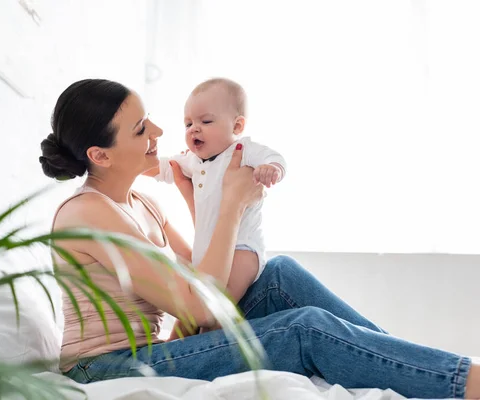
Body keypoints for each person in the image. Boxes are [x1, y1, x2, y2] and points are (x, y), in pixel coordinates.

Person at [39, 79, 479, 399]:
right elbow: (200, 303)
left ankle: (424, 371)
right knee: (304, 329)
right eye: (140, 128)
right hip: (103, 369)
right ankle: (464, 380)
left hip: (154, 348)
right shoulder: (87, 213)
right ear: (100, 155)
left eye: (150, 118)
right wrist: (231, 202)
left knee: (278, 275)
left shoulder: (142, 203)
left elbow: (202, 270)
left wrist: (203, 202)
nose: (157, 132)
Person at [143, 79, 286, 339]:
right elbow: (163, 168)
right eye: (188, 124)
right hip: (210, 253)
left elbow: (274, 157)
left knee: (216, 308)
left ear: (237, 125)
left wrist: (272, 169)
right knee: (191, 311)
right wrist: (134, 164)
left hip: (243, 249)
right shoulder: (193, 160)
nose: (194, 129)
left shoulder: (242, 151)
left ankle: (214, 348)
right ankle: (173, 350)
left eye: (206, 122)